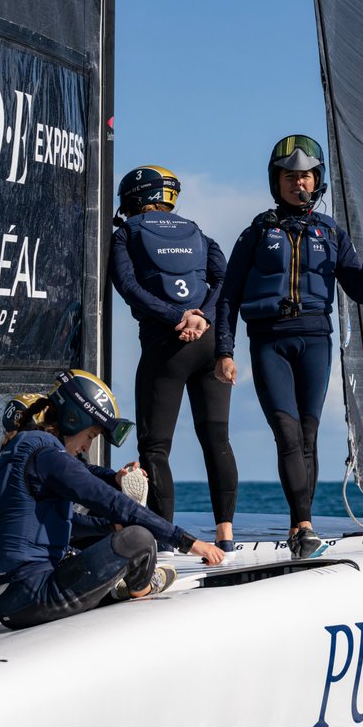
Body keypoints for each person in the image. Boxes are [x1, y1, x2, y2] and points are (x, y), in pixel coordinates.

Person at [214, 135, 363, 559]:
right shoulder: (257, 232)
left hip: (315, 340)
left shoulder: (331, 232)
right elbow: (228, 297)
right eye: (289, 177)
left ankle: (304, 527)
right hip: (269, 341)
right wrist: (223, 352)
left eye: (305, 176)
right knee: (287, 433)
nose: (297, 183)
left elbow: (361, 290)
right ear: (275, 182)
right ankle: (301, 524)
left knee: (309, 436)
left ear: (317, 181)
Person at [0, 369, 225, 629]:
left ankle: (116, 589)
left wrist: (114, 480)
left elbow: (77, 483)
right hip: (36, 596)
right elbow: (113, 503)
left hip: (7, 605)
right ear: (73, 419)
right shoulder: (46, 455)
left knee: (99, 530)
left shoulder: (10, 459)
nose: (87, 447)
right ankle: (143, 587)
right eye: (91, 436)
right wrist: (188, 542)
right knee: (139, 537)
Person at [109, 165, 239, 550]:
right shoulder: (199, 233)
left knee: (154, 448)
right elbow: (224, 282)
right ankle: (226, 537)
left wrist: (175, 316)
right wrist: (202, 316)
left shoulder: (125, 234)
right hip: (209, 341)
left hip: (166, 345)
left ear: (132, 199)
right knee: (217, 438)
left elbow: (128, 286)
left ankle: (164, 542)